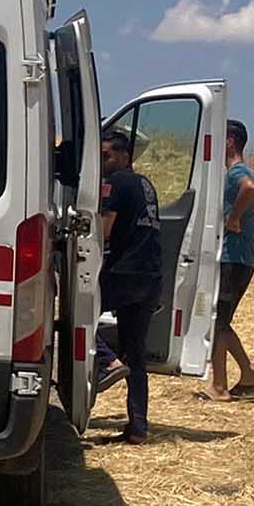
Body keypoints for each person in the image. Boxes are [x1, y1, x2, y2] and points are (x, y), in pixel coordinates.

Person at [96, 129, 164, 444]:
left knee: (75, 318)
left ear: (125, 156)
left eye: (107, 155)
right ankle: (138, 427)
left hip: (124, 274)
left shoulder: (116, 183)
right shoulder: (145, 184)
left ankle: (107, 361)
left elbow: (104, 232)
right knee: (136, 357)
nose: (103, 161)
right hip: (150, 276)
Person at [201, 119, 254, 401]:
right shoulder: (246, 171)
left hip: (232, 258)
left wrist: (234, 218)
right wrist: (244, 222)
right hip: (244, 258)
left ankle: (225, 383)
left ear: (229, 141)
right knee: (221, 321)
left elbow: (248, 188)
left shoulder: (238, 172)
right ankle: (240, 377)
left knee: (218, 321)